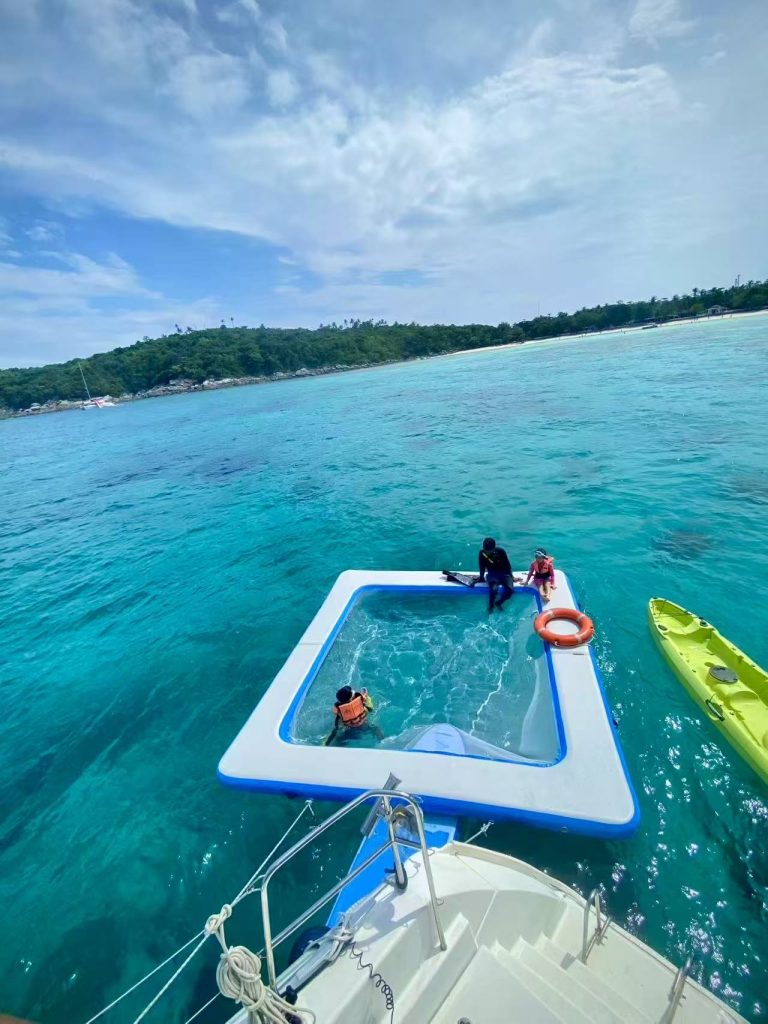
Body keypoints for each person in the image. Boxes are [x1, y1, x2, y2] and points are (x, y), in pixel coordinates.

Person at [473, 536, 515, 612]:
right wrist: (481, 577)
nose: (487, 552)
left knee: (510, 590)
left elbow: (507, 564)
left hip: (504, 573)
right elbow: (481, 566)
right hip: (492, 574)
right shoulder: (482, 553)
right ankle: (491, 606)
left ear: (494, 547)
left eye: (489, 551)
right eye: (486, 550)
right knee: (494, 589)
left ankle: (498, 603)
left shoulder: (501, 551)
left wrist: (511, 576)